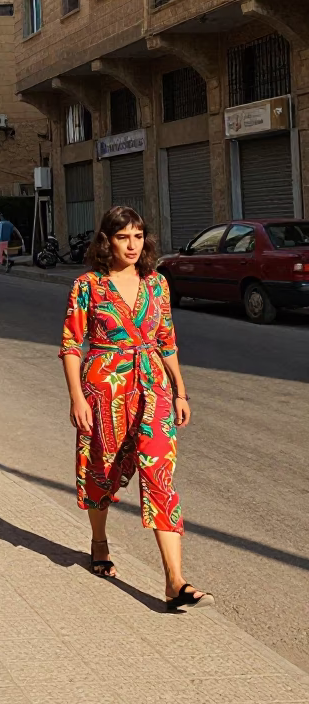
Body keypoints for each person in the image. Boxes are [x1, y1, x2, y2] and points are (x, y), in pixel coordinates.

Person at [60, 205, 212, 612]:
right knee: (101, 470)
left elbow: (167, 341)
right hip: (104, 389)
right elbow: (72, 345)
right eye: (123, 236)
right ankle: (99, 541)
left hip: (152, 388)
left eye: (138, 236)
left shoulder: (156, 284)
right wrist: (76, 397)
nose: (132, 245)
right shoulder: (88, 285)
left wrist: (181, 390)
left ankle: (174, 581)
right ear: (107, 240)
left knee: (160, 474)